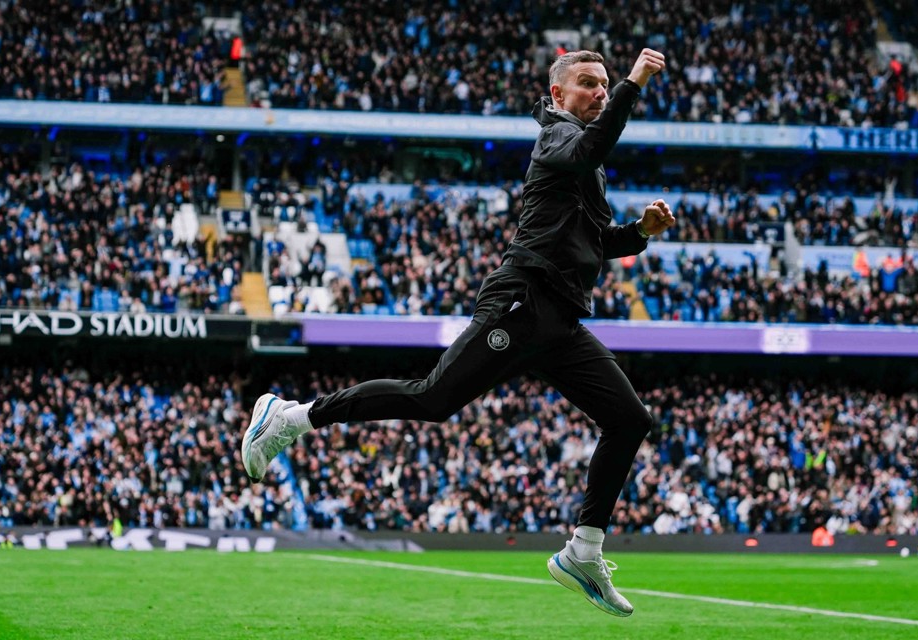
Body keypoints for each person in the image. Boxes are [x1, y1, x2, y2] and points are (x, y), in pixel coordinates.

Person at [242, 48, 672, 617]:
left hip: (561, 319)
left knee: (630, 419)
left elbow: (594, 241)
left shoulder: (582, 161)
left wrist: (638, 231)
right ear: (559, 95)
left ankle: (583, 552)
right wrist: (633, 84)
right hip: (522, 303)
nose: (599, 91)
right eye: (589, 84)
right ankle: (291, 418)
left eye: (605, 85)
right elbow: (594, 143)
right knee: (432, 400)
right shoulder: (557, 140)